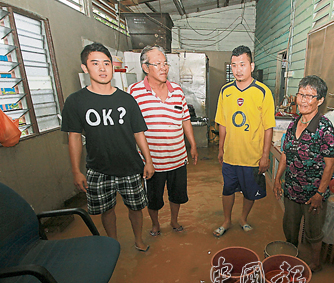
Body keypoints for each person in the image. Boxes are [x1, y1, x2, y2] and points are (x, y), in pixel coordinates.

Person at [61, 42, 154, 252]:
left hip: (130, 166)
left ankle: (138, 239)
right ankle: (113, 242)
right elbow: (74, 138)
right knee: (106, 209)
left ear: (112, 66)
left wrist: (148, 161)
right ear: (85, 68)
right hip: (98, 168)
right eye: (95, 63)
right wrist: (76, 171)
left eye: (106, 63)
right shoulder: (76, 102)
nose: (102, 69)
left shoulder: (127, 100)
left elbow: (138, 132)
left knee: (136, 207)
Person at [128, 45, 198, 236]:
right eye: (157, 64)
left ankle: (174, 221)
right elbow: (132, 128)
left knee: (177, 195)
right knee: (153, 198)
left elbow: (185, 119)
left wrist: (192, 145)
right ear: (145, 67)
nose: (163, 67)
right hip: (152, 161)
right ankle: (155, 223)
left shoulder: (176, 90)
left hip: (177, 157)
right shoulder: (134, 92)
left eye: (165, 63)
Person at [273, 75, 334, 272]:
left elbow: (330, 165)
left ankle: (316, 263)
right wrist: (277, 179)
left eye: (310, 96)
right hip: (292, 189)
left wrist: (319, 194)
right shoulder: (293, 124)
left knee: (313, 232)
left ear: (320, 100)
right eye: (301, 94)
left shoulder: (325, 128)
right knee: (290, 228)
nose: (303, 100)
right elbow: (285, 154)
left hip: (312, 194)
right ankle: (292, 257)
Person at [213, 45, 275, 237]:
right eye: (234, 65)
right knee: (227, 190)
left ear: (251, 66)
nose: (238, 69)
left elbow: (268, 127)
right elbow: (222, 123)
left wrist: (265, 156)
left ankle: (243, 218)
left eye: (242, 64)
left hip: (253, 157)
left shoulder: (263, 92)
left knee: (250, 192)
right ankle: (226, 220)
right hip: (231, 155)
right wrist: (221, 148)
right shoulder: (225, 91)